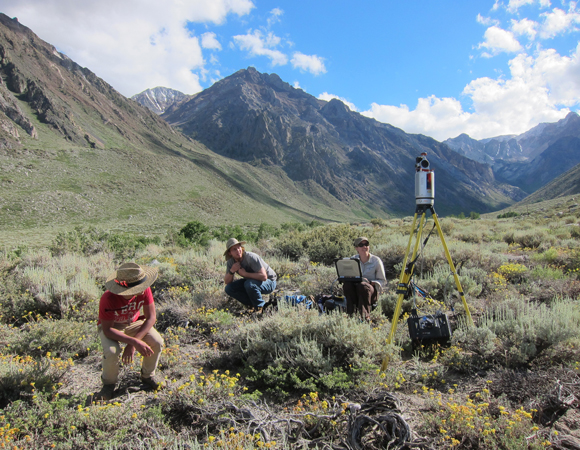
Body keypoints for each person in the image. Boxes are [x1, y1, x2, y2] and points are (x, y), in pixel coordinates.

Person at [94, 262, 164, 401]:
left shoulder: (145, 289)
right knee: (112, 351)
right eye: (139, 288)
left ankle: (148, 376)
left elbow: (151, 318)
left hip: (134, 323)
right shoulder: (108, 298)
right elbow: (107, 330)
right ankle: (108, 385)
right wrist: (134, 342)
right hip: (113, 327)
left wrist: (133, 343)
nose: (143, 290)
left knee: (157, 342)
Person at [223, 238, 277, 312]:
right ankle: (252, 305)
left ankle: (260, 308)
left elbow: (264, 277)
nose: (238, 250)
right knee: (229, 288)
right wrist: (232, 271)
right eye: (234, 249)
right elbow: (227, 282)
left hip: (270, 281)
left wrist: (245, 274)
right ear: (230, 253)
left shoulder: (250, 257)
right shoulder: (231, 262)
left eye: (239, 247)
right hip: (251, 281)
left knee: (249, 284)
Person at [342, 237, 386, 322]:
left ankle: (365, 316)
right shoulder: (353, 260)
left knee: (363, 286)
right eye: (361, 245)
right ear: (356, 248)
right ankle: (350, 314)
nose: (364, 247)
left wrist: (371, 282)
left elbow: (382, 281)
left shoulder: (376, 261)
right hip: (355, 291)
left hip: (370, 292)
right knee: (347, 285)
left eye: (366, 244)